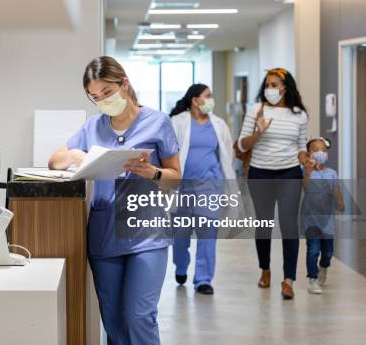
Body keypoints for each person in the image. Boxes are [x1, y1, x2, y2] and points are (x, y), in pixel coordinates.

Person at [48, 56, 181, 345]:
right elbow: (53, 160)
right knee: (114, 321)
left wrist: (153, 172)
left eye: (106, 92)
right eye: (94, 96)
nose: (102, 101)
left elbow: (176, 179)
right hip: (105, 233)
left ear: (124, 84)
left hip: (147, 233)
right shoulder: (92, 128)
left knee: (139, 316)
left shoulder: (158, 123)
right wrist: (73, 155)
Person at [237, 67, 311, 299]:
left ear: (285, 88)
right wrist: (259, 133)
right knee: (264, 224)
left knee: (290, 226)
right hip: (261, 174)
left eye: (275, 85)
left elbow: (301, 147)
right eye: (267, 85)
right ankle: (265, 269)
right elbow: (241, 146)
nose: (270, 89)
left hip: (289, 174)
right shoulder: (255, 110)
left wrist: (306, 160)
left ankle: (288, 279)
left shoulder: (299, 114)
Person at [169, 84, 235, 295]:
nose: (211, 100)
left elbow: (226, 154)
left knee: (208, 235)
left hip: (209, 187)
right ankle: (180, 266)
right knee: (181, 236)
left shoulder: (218, 124)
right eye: (208, 96)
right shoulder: (177, 122)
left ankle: (203, 279)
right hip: (183, 188)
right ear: (195, 100)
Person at [301, 137, 344, 294]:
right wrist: (308, 171)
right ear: (309, 153)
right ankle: (312, 279)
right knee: (313, 249)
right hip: (311, 220)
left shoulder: (331, 173)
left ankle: (323, 267)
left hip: (327, 222)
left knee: (328, 252)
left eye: (324, 150)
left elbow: (336, 190)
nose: (321, 153)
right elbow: (305, 187)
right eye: (316, 150)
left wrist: (340, 202)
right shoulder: (307, 172)